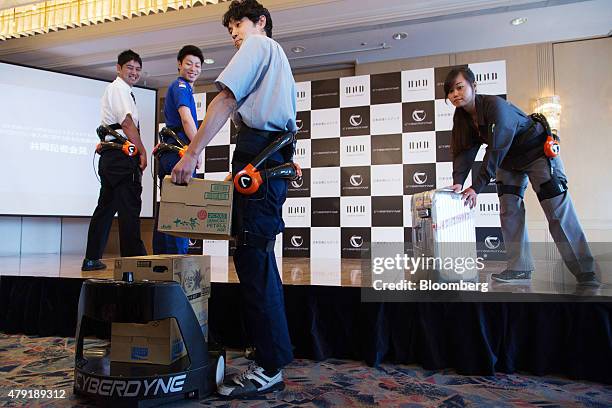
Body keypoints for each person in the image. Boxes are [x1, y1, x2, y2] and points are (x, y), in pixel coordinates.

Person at [171, 0, 301, 397]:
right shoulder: (275, 60)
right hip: (262, 160)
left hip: (260, 159)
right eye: (229, 29)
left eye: (238, 24)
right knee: (257, 259)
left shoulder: (259, 46)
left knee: (253, 260)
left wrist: (192, 153)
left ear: (260, 22)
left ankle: (269, 365)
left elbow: (225, 101)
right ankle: (270, 354)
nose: (234, 33)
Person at [446, 67, 598, 286]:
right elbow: (464, 151)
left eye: (459, 87)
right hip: (509, 161)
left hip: (536, 152)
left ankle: (586, 272)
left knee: (556, 208)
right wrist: (459, 182)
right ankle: (519, 268)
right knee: (509, 209)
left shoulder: (494, 106)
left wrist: (476, 187)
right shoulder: (462, 118)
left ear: (474, 86)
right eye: (450, 91)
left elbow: (496, 149)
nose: (455, 94)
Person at [82, 50, 147, 271]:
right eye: (130, 67)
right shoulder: (119, 88)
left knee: (106, 208)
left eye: (138, 69)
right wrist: (142, 151)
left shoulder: (119, 90)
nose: (134, 73)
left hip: (110, 158)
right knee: (129, 208)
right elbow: (127, 123)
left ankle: (91, 258)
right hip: (121, 157)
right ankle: (134, 262)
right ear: (118, 68)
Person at [153, 45, 203, 254]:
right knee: (181, 208)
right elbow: (186, 119)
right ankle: (178, 261)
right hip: (179, 154)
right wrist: (196, 150)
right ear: (179, 64)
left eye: (198, 65)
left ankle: (164, 259)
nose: (193, 68)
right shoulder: (180, 86)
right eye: (189, 63)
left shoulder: (181, 88)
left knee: (170, 206)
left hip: (173, 153)